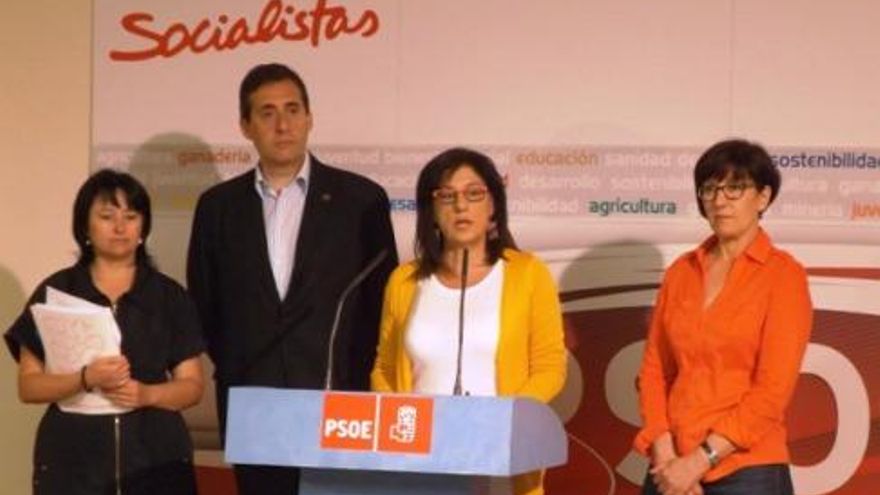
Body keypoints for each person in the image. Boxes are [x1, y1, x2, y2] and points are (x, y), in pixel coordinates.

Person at [186, 63, 397, 495]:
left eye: (292, 109)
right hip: (252, 401)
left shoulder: (361, 201)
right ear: (245, 126)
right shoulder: (217, 208)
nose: (282, 124)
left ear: (309, 117)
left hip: (339, 398)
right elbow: (205, 302)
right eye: (266, 113)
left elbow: (383, 303)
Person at [371, 147, 567, 495]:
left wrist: (504, 421)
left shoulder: (527, 274)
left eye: (474, 194)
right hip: (419, 463)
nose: (461, 206)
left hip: (503, 460)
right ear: (431, 210)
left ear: (493, 206)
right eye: (447, 196)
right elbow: (385, 370)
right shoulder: (403, 281)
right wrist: (404, 427)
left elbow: (550, 366)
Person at [4, 169, 205, 495]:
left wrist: (147, 394)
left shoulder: (169, 295)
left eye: (131, 216)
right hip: (73, 459)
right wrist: (84, 378)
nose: (120, 227)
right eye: (107, 216)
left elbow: (193, 385)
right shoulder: (56, 291)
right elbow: (29, 386)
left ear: (143, 227)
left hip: (155, 457)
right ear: (85, 226)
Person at [634, 139, 813, 495]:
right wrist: (666, 454)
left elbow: (772, 392)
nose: (719, 200)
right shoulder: (680, 273)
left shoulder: (784, 275)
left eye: (735, 187)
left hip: (747, 468)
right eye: (710, 189)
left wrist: (699, 461)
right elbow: (654, 372)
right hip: (670, 466)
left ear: (763, 197)